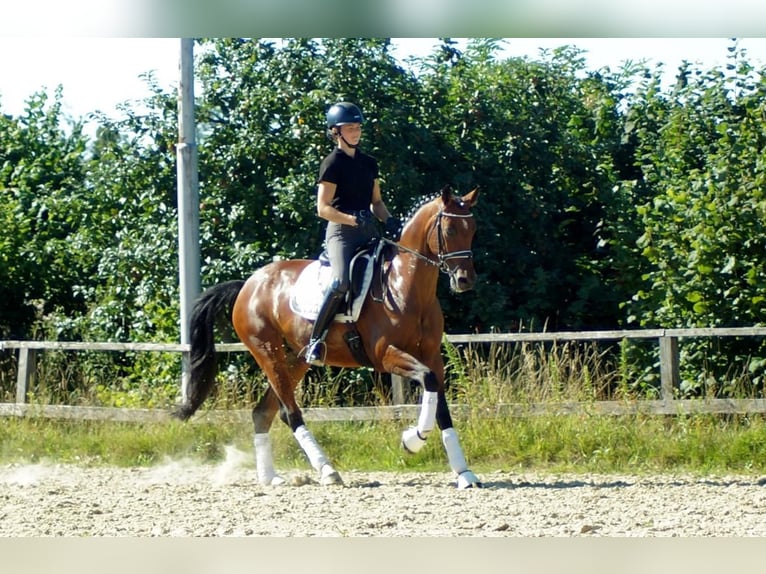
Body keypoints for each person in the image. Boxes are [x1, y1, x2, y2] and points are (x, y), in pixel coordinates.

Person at [304, 101, 402, 366]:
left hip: (368, 230)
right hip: (341, 234)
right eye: (350, 128)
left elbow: (377, 202)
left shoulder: (369, 163)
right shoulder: (332, 163)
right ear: (336, 132)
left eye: (358, 127)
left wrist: (390, 221)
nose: (356, 132)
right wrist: (350, 218)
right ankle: (316, 341)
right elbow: (322, 208)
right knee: (340, 282)